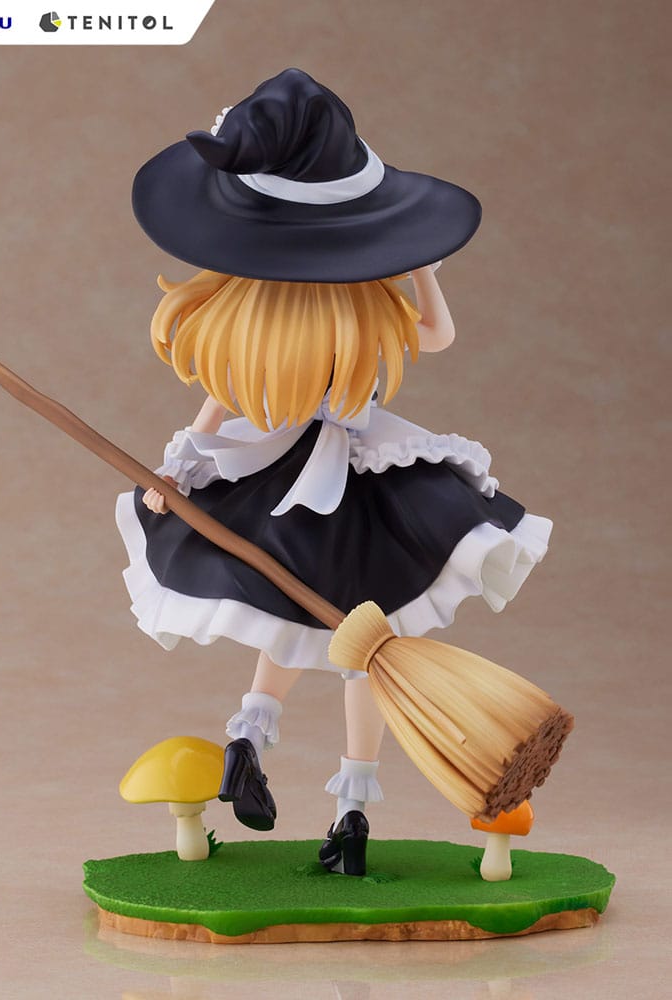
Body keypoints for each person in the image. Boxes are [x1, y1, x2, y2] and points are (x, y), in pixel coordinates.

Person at [115, 69, 552, 876]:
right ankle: (351, 813)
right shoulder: (361, 292)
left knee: (289, 611)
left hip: (280, 471)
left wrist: (180, 465)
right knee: (366, 644)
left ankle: (248, 737)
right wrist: (422, 265)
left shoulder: (258, 302)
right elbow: (436, 334)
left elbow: (221, 393)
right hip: (365, 480)